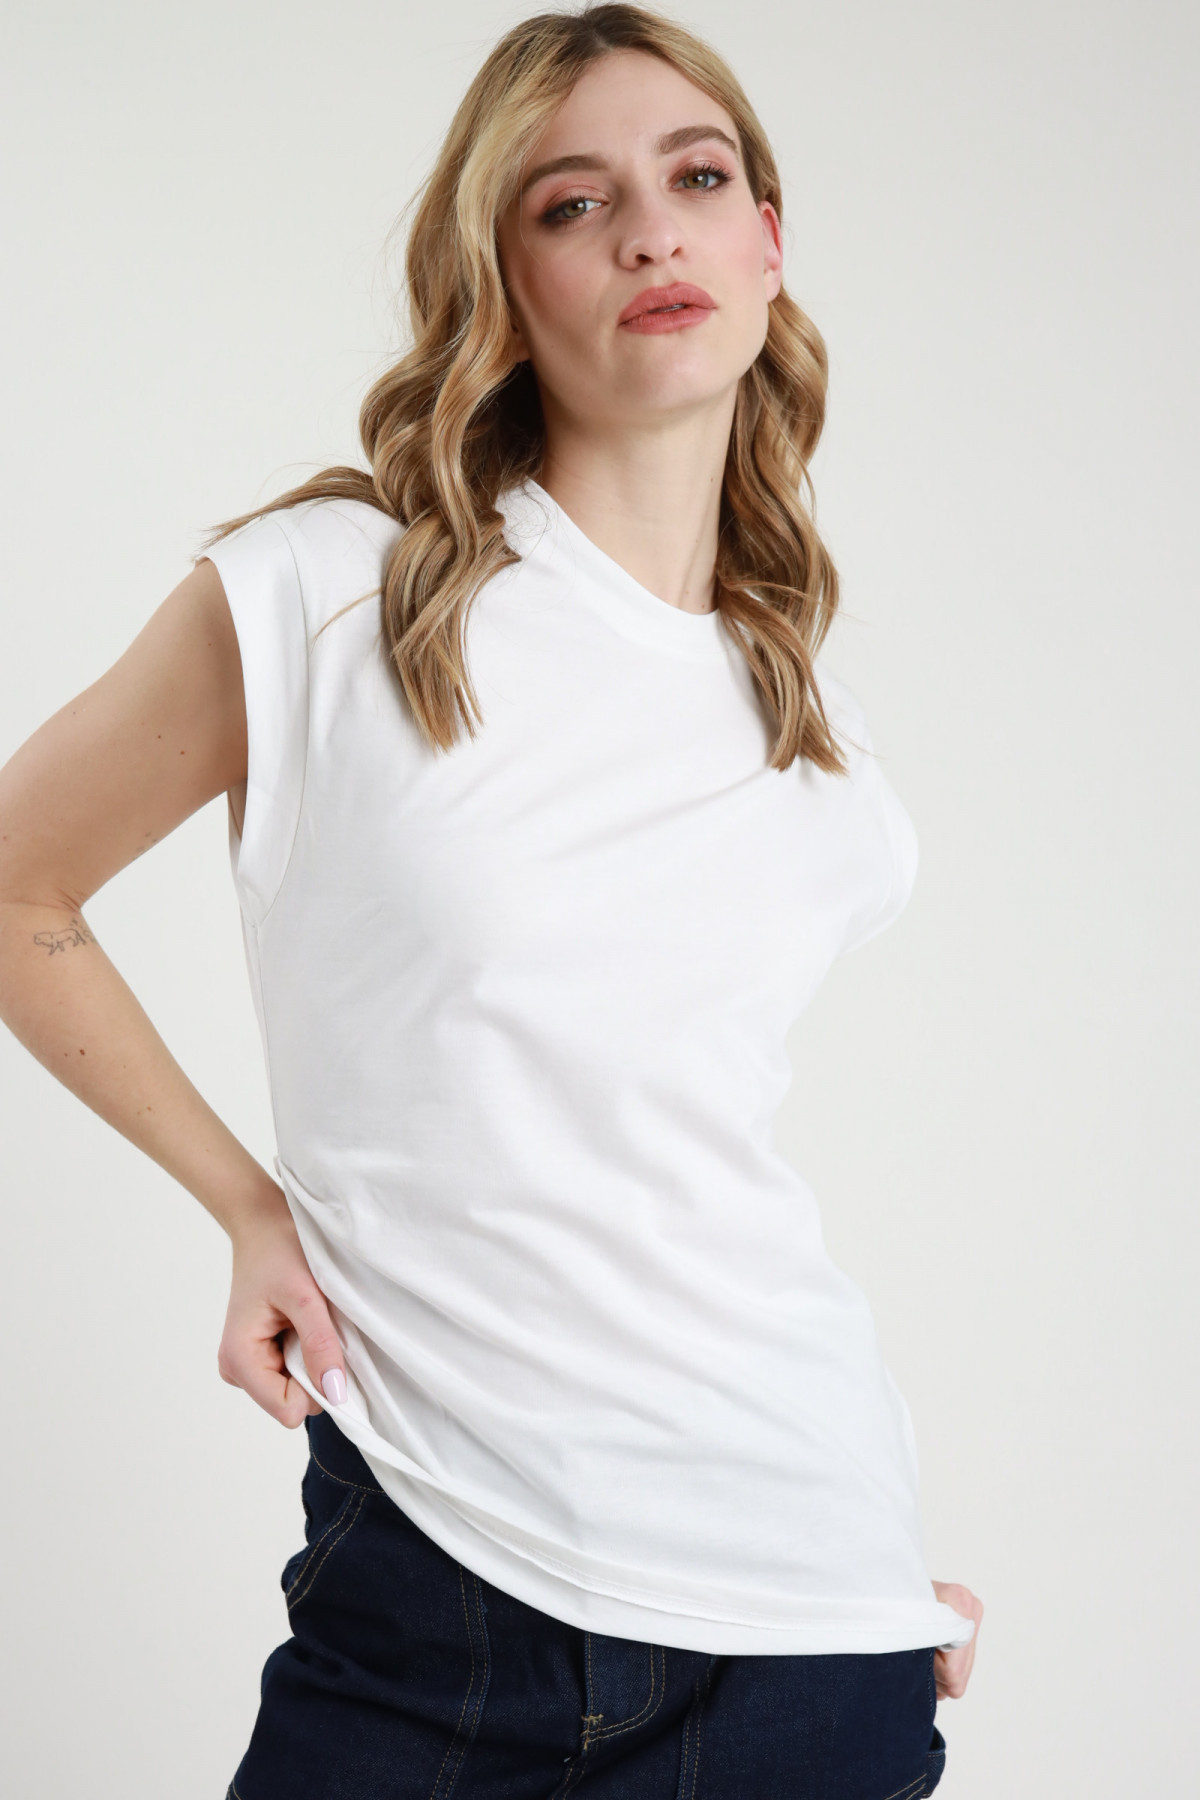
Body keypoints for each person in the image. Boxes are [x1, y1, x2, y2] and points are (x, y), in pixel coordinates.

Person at [0, 5, 983, 1795]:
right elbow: (16, 883)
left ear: (769, 242)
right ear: (502, 280)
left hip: (810, 1624)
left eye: (699, 180)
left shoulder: (813, 740)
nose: (653, 233)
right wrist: (247, 1207)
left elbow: (668, 1168)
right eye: (572, 203)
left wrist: (857, 1567)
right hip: (433, 1585)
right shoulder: (332, 594)